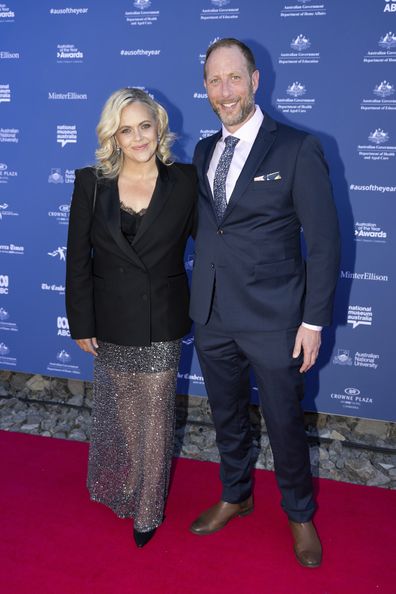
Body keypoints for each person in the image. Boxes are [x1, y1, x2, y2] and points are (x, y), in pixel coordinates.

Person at [189, 39, 340, 568]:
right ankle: (237, 494)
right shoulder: (204, 150)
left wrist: (313, 321)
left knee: (283, 421)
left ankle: (299, 513)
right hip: (211, 315)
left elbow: (323, 244)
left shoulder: (298, 148)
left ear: (256, 81)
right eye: (214, 80)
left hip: (276, 319)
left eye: (234, 78)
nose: (224, 91)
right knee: (227, 415)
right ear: (205, 88)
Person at [66, 88, 196, 548]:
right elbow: (78, 259)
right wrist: (81, 322)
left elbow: (217, 242)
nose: (138, 137)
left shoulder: (186, 181)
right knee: (124, 416)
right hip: (111, 317)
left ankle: (148, 508)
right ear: (113, 136)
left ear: (158, 126)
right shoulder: (91, 182)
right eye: (126, 129)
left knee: (156, 414)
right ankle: (128, 484)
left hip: (162, 317)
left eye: (145, 125)